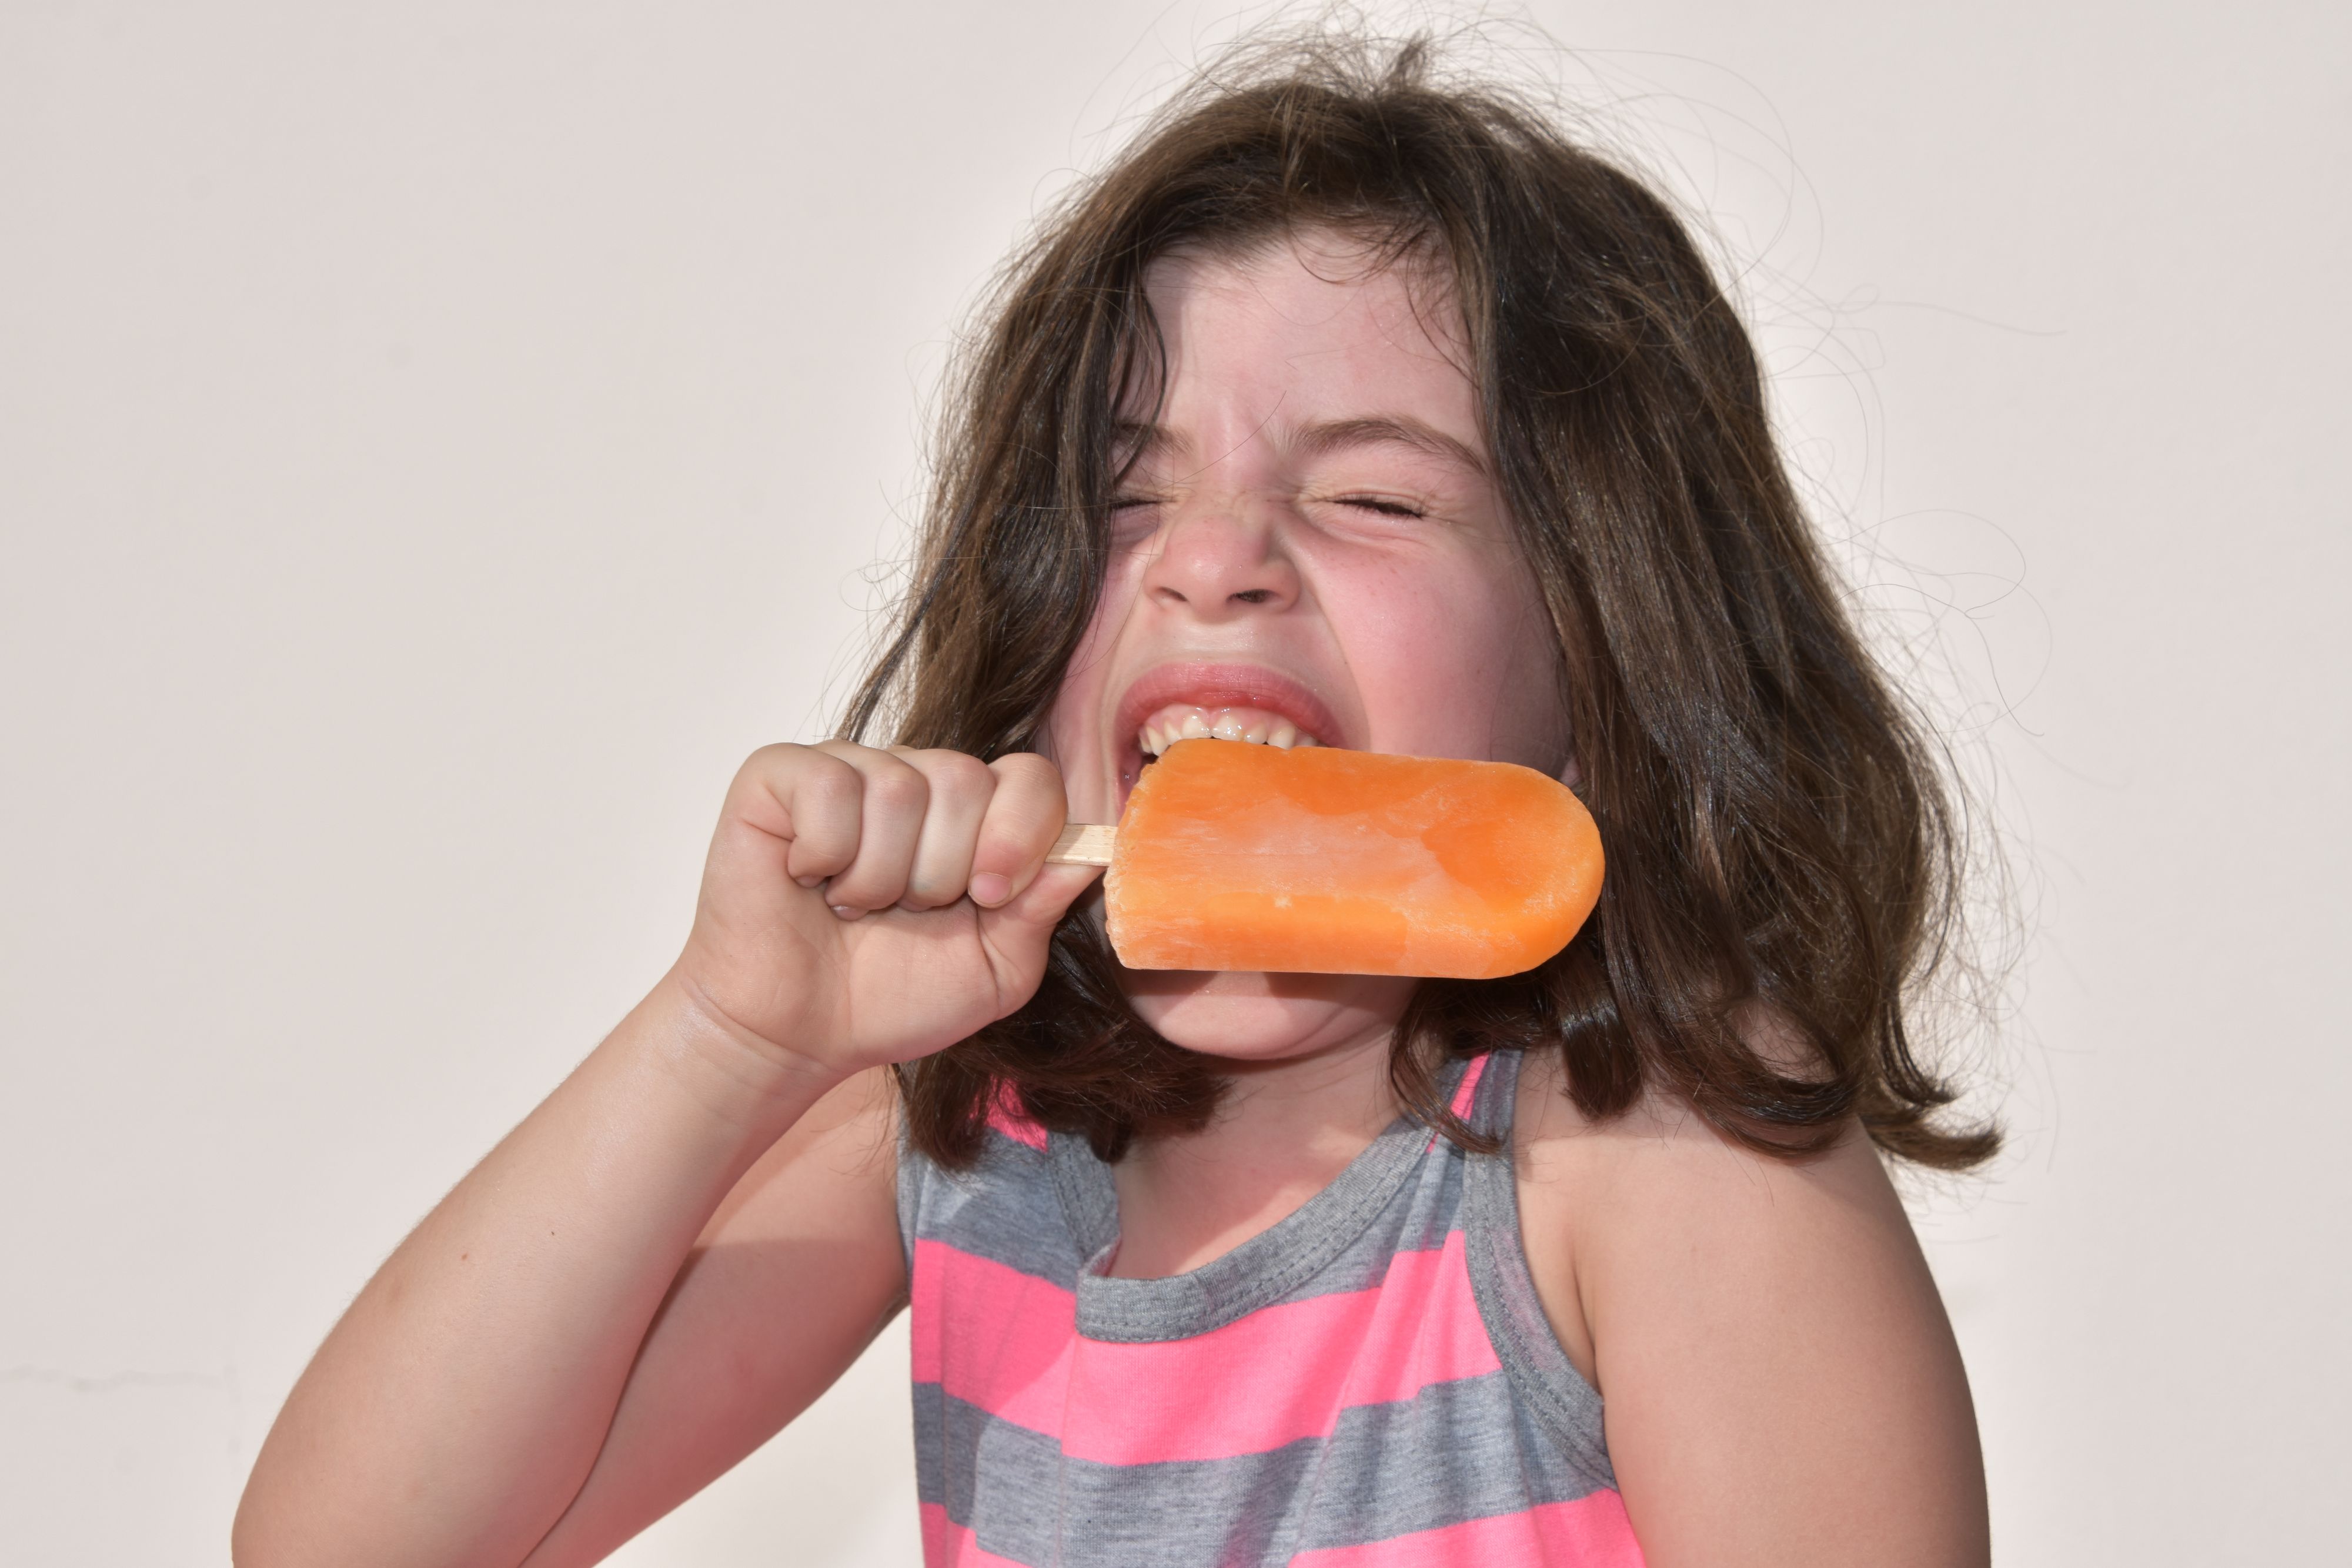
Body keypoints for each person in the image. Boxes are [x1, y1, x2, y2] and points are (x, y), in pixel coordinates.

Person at [234, 34, 1997, 1568]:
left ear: (1602, 648)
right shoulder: (969, 1134)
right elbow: (346, 1543)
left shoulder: (1657, 1159)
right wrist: (728, 1036)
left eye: (1376, 499)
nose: (1213, 562)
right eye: (1125, 496)